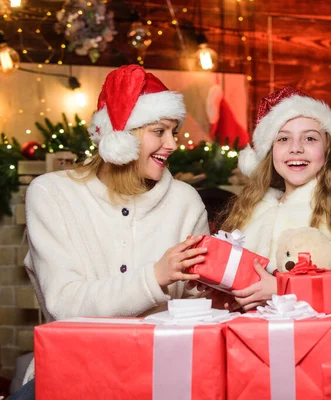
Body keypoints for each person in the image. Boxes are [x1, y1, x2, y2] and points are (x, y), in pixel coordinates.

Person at [13, 65, 209, 398]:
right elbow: (64, 303)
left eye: (173, 132)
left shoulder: (184, 202)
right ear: (122, 135)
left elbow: (199, 307)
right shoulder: (51, 194)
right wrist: (155, 277)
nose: (172, 144)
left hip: (159, 371)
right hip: (73, 370)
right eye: (159, 131)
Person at [221, 86, 331, 314]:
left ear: (328, 148)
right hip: (256, 340)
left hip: (319, 342)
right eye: (283, 139)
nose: (296, 148)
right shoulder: (255, 210)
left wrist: (285, 289)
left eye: (309, 138)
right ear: (271, 150)